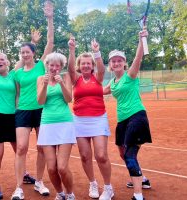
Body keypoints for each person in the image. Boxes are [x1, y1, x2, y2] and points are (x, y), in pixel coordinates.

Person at [0, 28, 41, 200]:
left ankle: (24, 174)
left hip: (13, 117)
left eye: (2, 59)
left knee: (20, 149)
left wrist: (33, 42)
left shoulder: (14, 74)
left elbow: (26, 56)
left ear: (7, 62)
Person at [11, 1, 54, 199]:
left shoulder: (40, 66)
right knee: (21, 148)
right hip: (23, 111)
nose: (25, 54)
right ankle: (18, 187)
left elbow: (50, 44)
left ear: (34, 54)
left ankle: (39, 181)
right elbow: (17, 92)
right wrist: (18, 107)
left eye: (27, 52)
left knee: (42, 147)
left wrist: (50, 19)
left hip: (41, 109)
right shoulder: (18, 73)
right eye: (22, 53)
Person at [103, 28, 152, 200]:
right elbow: (100, 91)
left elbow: (138, 58)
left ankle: (138, 195)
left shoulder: (130, 75)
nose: (116, 63)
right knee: (123, 154)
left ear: (124, 63)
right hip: (122, 121)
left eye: (119, 60)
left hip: (136, 117)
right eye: (113, 61)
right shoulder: (112, 82)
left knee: (130, 155)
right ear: (110, 65)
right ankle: (143, 179)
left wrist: (141, 40)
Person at [68, 36, 114, 200]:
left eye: (89, 63)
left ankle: (108, 188)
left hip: (98, 118)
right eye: (83, 63)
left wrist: (97, 52)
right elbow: (70, 69)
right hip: (79, 120)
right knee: (85, 156)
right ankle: (93, 183)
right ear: (80, 66)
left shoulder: (98, 77)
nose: (86, 65)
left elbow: (102, 68)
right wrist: (72, 50)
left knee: (101, 155)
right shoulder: (75, 79)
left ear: (92, 65)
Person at [37, 52, 76, 200]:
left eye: (57, 65)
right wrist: (45, 84)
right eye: (51, 65)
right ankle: (60, 193)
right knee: (52, 168)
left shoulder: (65, 77)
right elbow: (40, 101)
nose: (54, 68)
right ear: (47, 66)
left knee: (62, 167)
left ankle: (70, 194)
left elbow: (68, 99)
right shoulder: (41, 79)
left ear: (61, 67)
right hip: (47, 124)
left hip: (65, 123)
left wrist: (60, 83)